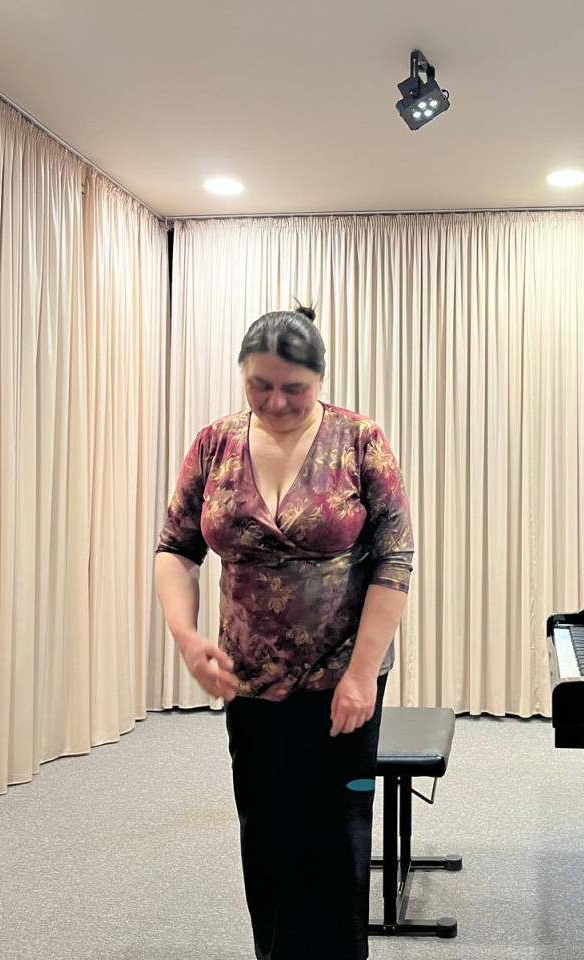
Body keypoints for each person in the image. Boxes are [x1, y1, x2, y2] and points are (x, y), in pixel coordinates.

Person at [153, 306, 413, 960]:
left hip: (341, 681)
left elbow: (394, 560)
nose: (275, 402)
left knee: (336, 841)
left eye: (293, 388)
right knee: (266, 835)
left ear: (320, 378)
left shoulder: (360, 440)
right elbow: (176, 549)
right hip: (248, 680)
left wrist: (362, 675)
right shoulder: (214, 444)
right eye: (259, 385)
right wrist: (186, 636)